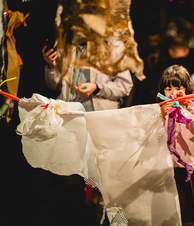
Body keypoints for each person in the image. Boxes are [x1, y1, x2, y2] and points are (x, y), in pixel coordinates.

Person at [41, 42, 133, 226]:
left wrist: (97, 87)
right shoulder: (66, 43)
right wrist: (51, 66)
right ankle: (80, 218)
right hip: (72, 123)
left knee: (106, 180)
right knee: (74, 178)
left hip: (101, 123)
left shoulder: (112, 46)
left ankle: (116, 221)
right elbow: (55, 85)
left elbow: (125, 86)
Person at [158, 65, 194, 223]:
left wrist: (188, 103)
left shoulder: (191, 110)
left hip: (188, 170)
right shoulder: (160, 112)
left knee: (191, 215)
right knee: (168, 216)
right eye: (168, 89)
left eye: (178, 87)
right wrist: (161, 116)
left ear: (186, 89)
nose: (172, 93)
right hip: (166, 170)